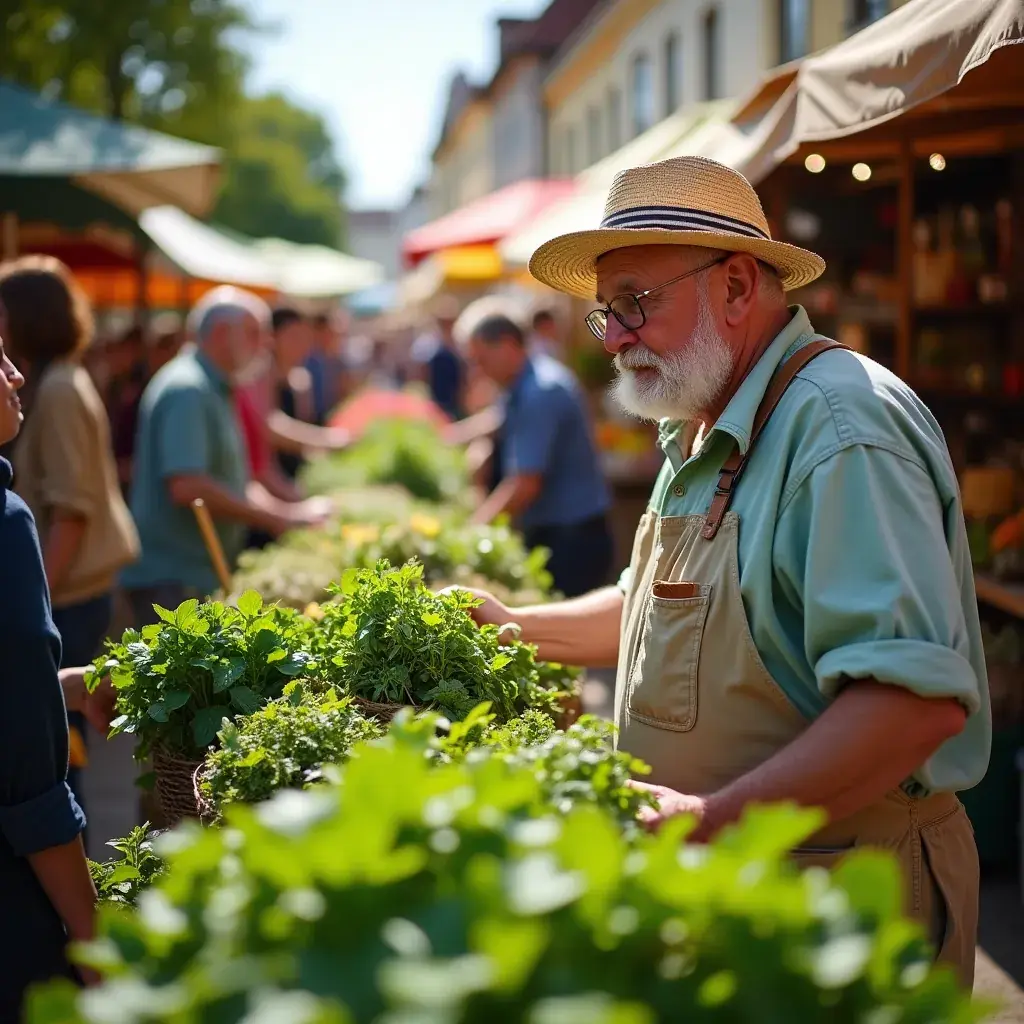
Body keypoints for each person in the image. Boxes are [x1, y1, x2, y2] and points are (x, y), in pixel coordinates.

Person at [457, 156, 989, 988]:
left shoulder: (841, 428)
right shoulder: (702, 419)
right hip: (748, 893)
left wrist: (711, 818)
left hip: (844, 906)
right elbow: (657, 607)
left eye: (634, 302)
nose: (615, 338)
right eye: (607, 313)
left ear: (737, 286)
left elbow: (912, 705)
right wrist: (512, 627)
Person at [0, 257, 141, 811]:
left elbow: (71, 513)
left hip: (69, 595)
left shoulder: (57, 388)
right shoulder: (58, 380)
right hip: (75, 591)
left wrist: (36, 603)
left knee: (58, 751)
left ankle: (70, 848)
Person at [121, 287, 328, 624]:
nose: (265, 344)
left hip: (192, 573)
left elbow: (237, 480)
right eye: (254, 333)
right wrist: (278, 517)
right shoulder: (189, 389)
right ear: (220, 334)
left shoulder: (214, 385)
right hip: (174, 578)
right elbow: (187, 486)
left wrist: (288, 513)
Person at [0, 336, 100, 1016]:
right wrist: (95, 941)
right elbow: (31, 785)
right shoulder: (5, 523)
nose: (15, 375)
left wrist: (54, 685)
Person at [456, 302, 613, 598]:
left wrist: (473, 529)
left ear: (507, 345)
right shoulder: (527, 380)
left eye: (481, 360)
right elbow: (498, 419)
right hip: (564, 530)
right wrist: (453, 437)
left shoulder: (540, 391)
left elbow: (525, 484)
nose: (478, 371)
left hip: (571, 540)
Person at [409, 296, 467, 421]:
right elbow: (420, 371)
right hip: (436, 397)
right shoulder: (428, 343)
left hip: (456, 398)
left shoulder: (460, 342)